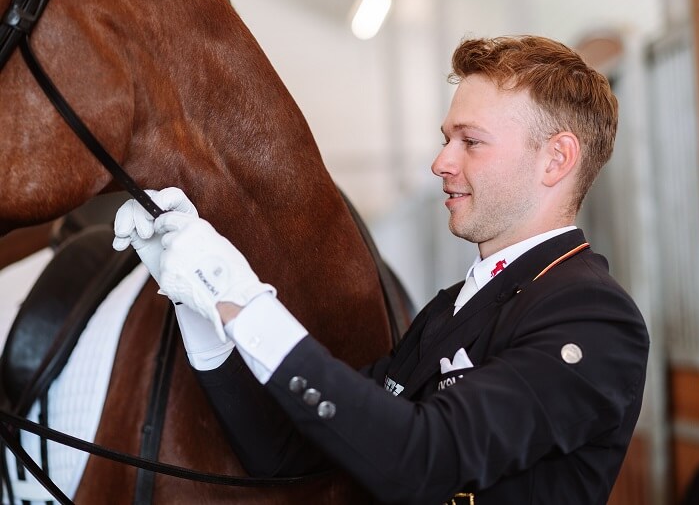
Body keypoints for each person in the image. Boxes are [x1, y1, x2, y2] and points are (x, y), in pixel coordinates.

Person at [113, 35, 649, 504]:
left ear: (555, 160)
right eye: (447, 139)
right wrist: (198, 304)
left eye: (471, 141)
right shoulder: (449, 307)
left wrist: (239, 295)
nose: (441, 162)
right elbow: (280, 451)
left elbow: (420, 462)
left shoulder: (593, 317)